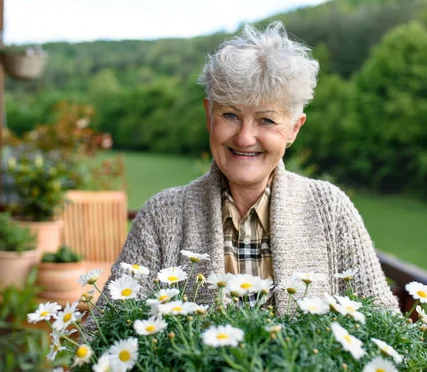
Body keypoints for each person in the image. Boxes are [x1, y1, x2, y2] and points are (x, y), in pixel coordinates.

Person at [96, 21, 398, 313]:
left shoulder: (331, 210)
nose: (244, 137)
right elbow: (102, 335)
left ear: (294, 129)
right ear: (208, 115)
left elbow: (385, 329)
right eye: (230, 115)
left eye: (266, 120)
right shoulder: (160, 217)